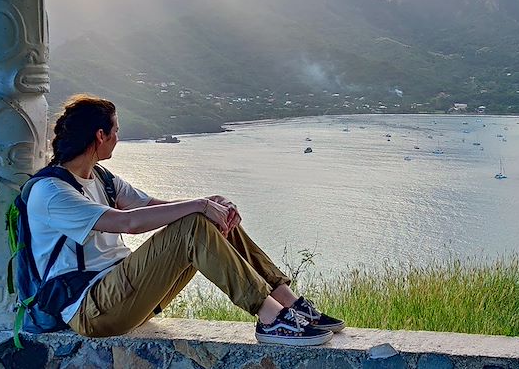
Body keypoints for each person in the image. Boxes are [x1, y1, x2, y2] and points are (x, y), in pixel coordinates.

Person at [26, 94, 344, 346]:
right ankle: (271, 319)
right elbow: (127, 223)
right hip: (91, 310)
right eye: (116, 130)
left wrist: (212, 204)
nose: (118, 137)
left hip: (127, 295)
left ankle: (289, 304)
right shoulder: (51, 191)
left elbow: (152, 206)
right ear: (100, 135)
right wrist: (199, 206)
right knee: (194, 222)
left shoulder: (102, 178)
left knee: (211, 219)